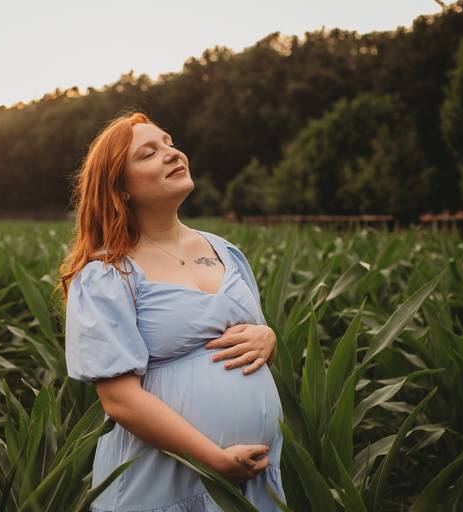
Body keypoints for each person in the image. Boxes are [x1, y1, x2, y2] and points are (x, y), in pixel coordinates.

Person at [57, 111, 286, 511]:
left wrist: (269, 337)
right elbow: (119, 399)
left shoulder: (225, 251)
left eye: (168, 142)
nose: (171, 153)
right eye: (148, 153)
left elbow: (253, 341)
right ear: (120, 187)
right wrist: (212, 459)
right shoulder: (107, 274)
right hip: (166, 479)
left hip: (254, 479)